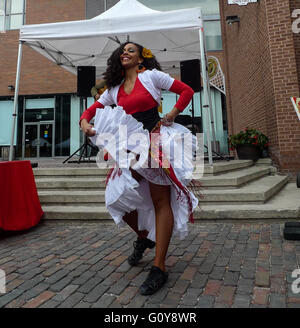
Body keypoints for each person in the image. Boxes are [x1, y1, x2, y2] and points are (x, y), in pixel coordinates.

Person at [80, 42, 198, 295]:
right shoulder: (114, 89)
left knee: (160, 201)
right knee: (119, 200)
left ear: (141, 58)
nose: (125, 52)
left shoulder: (152, 76)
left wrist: (173, 114)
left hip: (156, 141)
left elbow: (187, 90)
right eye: (122, 51)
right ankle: (145, 237)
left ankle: (159, 266)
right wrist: (84, 123)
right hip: (129, 147)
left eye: (131, 50)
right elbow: (90, 110)